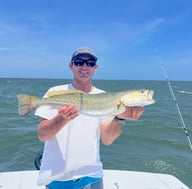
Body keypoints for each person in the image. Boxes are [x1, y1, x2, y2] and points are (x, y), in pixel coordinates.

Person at [35, 47, 144, 189]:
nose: (85, 66)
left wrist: (119, 118)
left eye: (90, 63)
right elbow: (42, 135)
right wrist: (62, 118)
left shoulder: (104, 97)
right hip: (56, 177)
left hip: (92, 176)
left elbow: (107, 139)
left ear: (95, 67)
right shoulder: (55, 93)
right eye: (79, 62)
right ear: (71, 65)